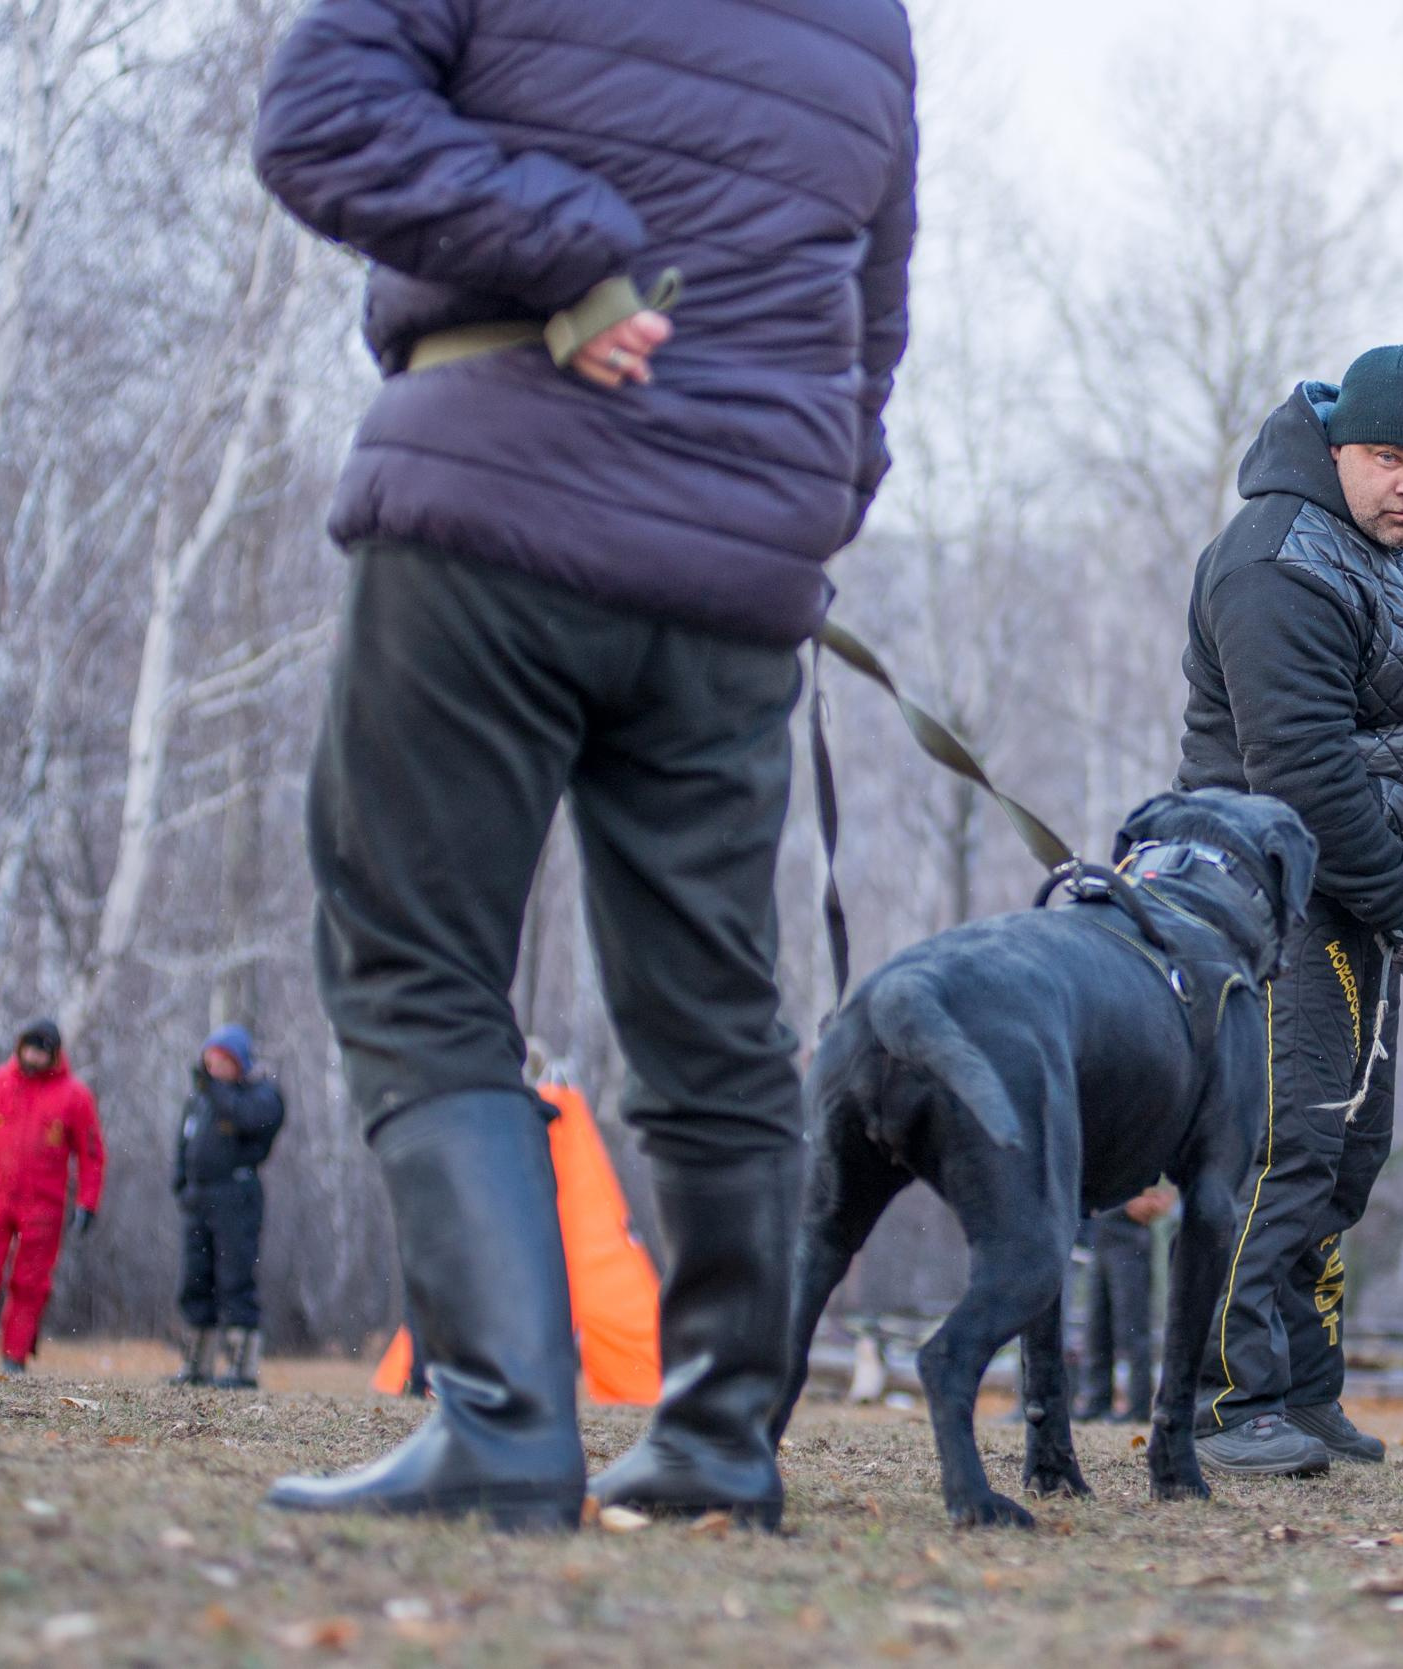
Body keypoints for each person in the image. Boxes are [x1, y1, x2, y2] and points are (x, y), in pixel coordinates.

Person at [251, 0, 916, 1531]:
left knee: (414, 956)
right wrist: (798, 506)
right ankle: (720, 1442)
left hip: (496, 495)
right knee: (713, 1008)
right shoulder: (870, 17)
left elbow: (317, 115)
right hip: (740, 566)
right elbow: (873, 324)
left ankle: (501, 1424)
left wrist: (568, 246)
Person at [1176, 347, 1403, 1476]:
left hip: (1362, 902)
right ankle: (1224, 1403)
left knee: (1348, 1154)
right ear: (1338, 447)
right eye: (1390, 457)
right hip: (1277, 898)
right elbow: (1300, 769)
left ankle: (1303, 1395)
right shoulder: (1277, 558)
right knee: (1279, 1147)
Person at [0, 1021, 106, 1376]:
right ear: (19, 1048)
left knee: (30, 1284)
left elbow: (91, 1153)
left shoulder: (74, 1096)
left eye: (41, 1051)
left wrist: (87, 1203)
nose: (34, 1057)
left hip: (44, 1206)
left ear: (54, 1055)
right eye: (29, 1049)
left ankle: (14, 1358)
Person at [170, 1025, 285, 1391]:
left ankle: (242, 1365)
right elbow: (184, 1142)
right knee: (195, 1280)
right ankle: (196, 1362)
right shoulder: (199, 1100)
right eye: (211, 1059)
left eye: (223, 1059)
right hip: (199, 1199)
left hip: (237, 1196)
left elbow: (249, 1120)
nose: (214, 1066)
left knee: (235, 1280)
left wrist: (216, 1089)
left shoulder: (261, 1094)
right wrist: (181, 1183)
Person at [1074, 1184, 1176, 1423]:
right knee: (1096, 1328)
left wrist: (1151, 1201)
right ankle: (1097, 1402)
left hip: (1130, 1239)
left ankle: (1138, 1407)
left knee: (1131, 1329)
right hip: (1101, 1238)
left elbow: (1165, 1196)